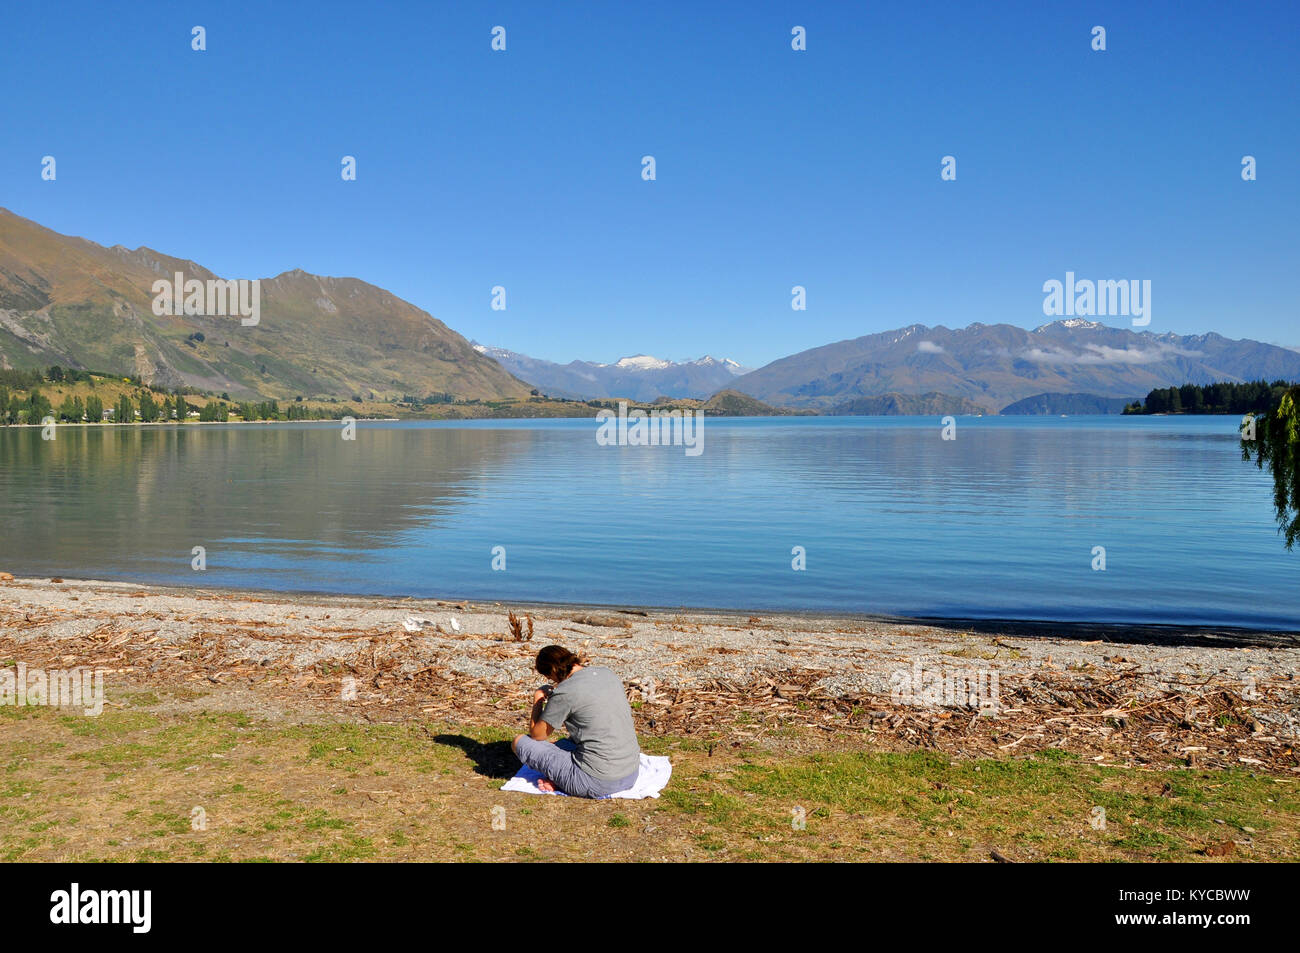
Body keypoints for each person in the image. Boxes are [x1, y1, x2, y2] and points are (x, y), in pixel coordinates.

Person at [511, 645, 642, 797]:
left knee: (519, 741)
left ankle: (564, 780)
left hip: (596, 781)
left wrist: (538, 699)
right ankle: (561, 777)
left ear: (552, 670)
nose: (551, 681)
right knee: (559, 745)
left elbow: (538, 736)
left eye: (548, 676)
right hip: (630, 772)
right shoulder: (607, 673)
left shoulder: (565, 691)